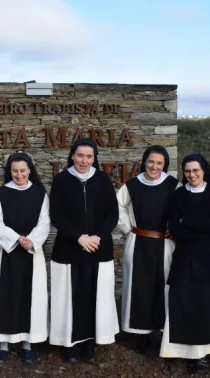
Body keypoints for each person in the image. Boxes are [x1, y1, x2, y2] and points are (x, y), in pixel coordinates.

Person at [160, 153, 210, 374]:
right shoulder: (178, 197)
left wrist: (189, 222)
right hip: (185, 259)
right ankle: (186, 352)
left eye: (196, 170)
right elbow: (174, 228)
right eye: (187, 171)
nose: (192, 175)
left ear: (204, 170)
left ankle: (204, 353)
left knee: (208, 306)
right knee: (184, 303)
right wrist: (199, 227)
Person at [48, 138, 120, 364]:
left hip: (98, 248)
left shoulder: (102, 179)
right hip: (69, 248)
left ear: (94, 158)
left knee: (93, 297)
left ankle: (89, 343)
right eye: (80, 156)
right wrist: (79, 237)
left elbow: (112, 214)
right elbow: (56, 215)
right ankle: (69, 344)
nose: (84, 161)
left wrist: (96, 236)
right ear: (72, 156)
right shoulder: (61, 180)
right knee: (70, 298)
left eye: (89, 156)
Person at [0, 152, 51, 363]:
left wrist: (31, 240)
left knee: (28, 297)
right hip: (6, 252)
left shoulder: (40, 194)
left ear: (30, 170)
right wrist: (16, 238)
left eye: (22, 170)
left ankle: (27, 343)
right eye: (14, 171)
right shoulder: (0, 194)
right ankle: (2, 344)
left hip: (30, 252)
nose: (19, 175)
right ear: (9, 171)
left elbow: (45, 222)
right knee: (5, 296)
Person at [117, 145, 179, 353]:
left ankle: (159, 332)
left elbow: (184, 208)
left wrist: (175, 228)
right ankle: (136, 333)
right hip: (138, 242)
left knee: (161, 287)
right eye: (151, 161)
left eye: (159, 163)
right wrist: (127, 229)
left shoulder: (173, 185)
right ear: (145, 161)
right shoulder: (132, 185)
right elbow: (117, 206)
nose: (154, 166)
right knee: (137, 287)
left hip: (164, 244)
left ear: (165, 165)